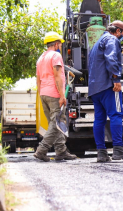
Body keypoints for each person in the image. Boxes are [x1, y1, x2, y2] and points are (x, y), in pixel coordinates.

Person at [88, 20, 123, 162]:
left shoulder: (96, 43)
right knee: (116, 115)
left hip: (95, 88)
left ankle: (101, 153)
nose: (122, 37)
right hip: (108, 86)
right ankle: (118, 151)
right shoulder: (111, 39)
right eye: (122, 34)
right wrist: (116, 79)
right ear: (118, 31)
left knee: (99, 120)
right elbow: (111, 58)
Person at [34, 32, 77, 162]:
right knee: (56, 123)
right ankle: (41, 151)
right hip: (54, 94)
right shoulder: (56, 55)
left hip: (43, 94)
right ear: (57, 44)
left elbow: (38, 79)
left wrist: (41, 93)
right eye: (59, 44)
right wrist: (61, 95)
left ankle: (61, 151)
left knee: (55, 123)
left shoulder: (41, 58)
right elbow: (57, 76)